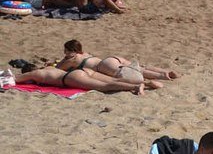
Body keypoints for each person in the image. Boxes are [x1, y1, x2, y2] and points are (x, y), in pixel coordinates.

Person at [57, 39, 179, 80]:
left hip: (104, 66)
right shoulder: (84, 53)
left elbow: (58, 69)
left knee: (138, 71)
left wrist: (61, 61)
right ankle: (164, 71)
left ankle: (163, 77)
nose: (64, 53)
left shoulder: (71, 59)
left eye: (66, 50)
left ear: (70, 50)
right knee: (140, 67)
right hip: (111, 59)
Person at [13, 62, 158, 94]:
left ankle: (135, 87)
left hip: (72, 77)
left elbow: (17, 79)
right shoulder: (49, 68)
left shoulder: (37, 74)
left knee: (104, 87)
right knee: (113, 81)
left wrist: (27, 78)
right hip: (83, 70)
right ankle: (145, 82)